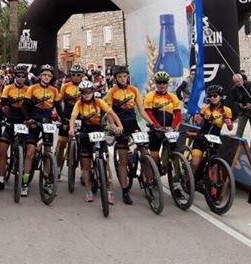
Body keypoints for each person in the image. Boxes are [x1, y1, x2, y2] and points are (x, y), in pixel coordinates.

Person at [68, 80, 124, 204]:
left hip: (99, 132)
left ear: (93, 92)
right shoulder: (78, 103)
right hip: (85, 133)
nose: (86, 94)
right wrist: (71, 129)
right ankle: (88, 190)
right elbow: (73, 117)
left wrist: (119, 126)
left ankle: (109, 191)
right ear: (81, 93)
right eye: (84, 92)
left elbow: (112, 113)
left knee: (106, 164)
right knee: (86, 166)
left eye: (89, 92)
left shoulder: (99, 102)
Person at [105, 65, 154, 204]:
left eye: (124, 76)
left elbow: (142, 110)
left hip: (133, 124)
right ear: (115, 78)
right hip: (120, 126)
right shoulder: (112, 92)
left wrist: (152, 123)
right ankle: (125, 190)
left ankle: (149, 182)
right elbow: (109, 112)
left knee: (145, 152)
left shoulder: (134, 90)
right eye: (120, 77)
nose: (122, 79)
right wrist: (113, 126)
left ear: (128, 77)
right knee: (123, 160)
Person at [22, 64, 59, 197]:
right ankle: (25, 182)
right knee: (30, 152)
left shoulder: (54, 90)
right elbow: (25, 106)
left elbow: (58, 107)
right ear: (40, 76)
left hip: (47, 122)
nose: (47, 77)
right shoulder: (32, 88)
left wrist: (64, 120)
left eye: (49, 75)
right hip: (34, 121)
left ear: (52, 77)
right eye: (44, 75)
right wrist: (28, 119)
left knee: (48, 151)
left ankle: (47, 180)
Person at [0, 65, 30, 192]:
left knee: (27, 149)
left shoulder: (29, 89)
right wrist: (4, 108)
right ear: (14, 76)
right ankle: (0, 180)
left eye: (23, 76)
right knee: (2, 150)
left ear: (26, 77)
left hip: (24, 121)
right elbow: (3, 102)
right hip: (11, 120)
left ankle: (25, 173)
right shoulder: (8, 88)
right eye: (18, 76)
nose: (21, 78)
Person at [191, 84, 233, 174]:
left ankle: (212, 182)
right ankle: (187, 179)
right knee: (195, 163)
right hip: (201, 137)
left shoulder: (226, 110)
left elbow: (230, 128)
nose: (212, 98)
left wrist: (229, 124)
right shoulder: (205, 108)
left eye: (215, 96)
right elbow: (199, 123)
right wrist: (197, 119)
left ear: (220, 96)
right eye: (210, 96)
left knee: (215, 167)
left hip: (214, 140)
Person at [143, 71, 181, 165]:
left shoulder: (173, 97)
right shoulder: (150, 96)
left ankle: (170, 170)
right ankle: (155, 171)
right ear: (156, 83)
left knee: (172, 153)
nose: (162, 85)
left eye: (164, 82)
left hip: (169, 129)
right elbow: (148, 113)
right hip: (155, 130)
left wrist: (172, 127)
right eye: (159, 82)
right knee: (154, 158)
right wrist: (157, 126)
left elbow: (178, 115)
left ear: (167, 83)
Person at [56, 64, 85, 179]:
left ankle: (84, 172)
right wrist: (60, 116)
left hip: (82, 118)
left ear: (82, 75)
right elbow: (58, 101)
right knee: (61, 144)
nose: (76, 77)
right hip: (67, 117)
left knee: (83, 146)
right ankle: (57, 168)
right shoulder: (65, 86)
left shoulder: (86, 86)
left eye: (78, 75)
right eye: (73, 75)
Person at [231, 74, 251, 155]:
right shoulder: (234, 89)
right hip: (243, 112)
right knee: (239, 131)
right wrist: (239, 105)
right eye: (236, 82)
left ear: (242, 79)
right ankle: (236, 149)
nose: (238, 83)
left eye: (239, 81)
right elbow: (234, 101)